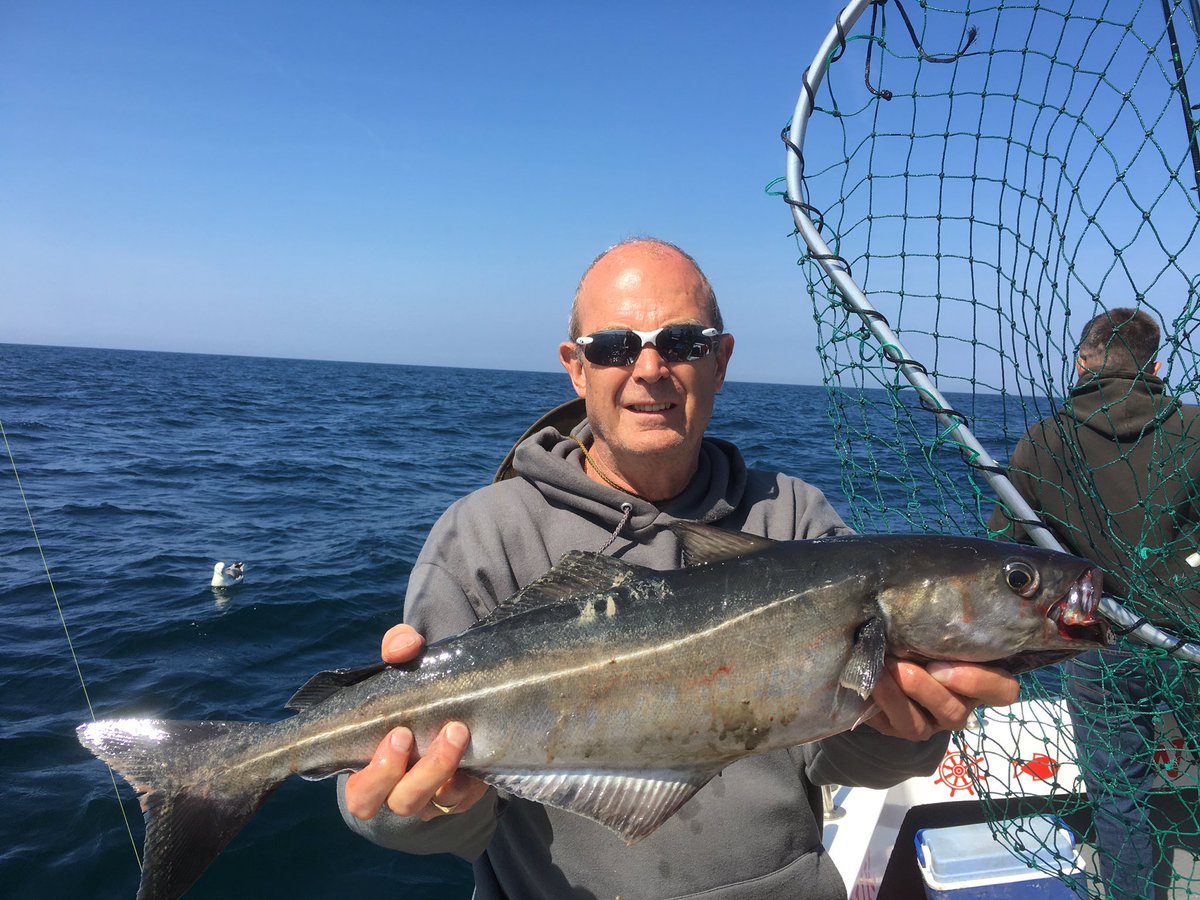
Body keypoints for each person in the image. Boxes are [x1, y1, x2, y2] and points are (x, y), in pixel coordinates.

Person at [340, 237, 1021, 899]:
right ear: (575, 368)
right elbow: (437, 821)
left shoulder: (794, 519)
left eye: (683, 343)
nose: (648, 368)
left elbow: (840, 756)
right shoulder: (482, 536)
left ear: (720, 360)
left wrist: (905, 735)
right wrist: (413, 807)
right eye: (613, 347)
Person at [988, 307, 1200, 900]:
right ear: (1156, 367)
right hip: (1190, 641)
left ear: (1082, 362)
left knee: (1119, 796)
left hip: (1097, 644)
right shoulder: (1196, 431)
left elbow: (1000, 552)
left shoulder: (1043, 441)